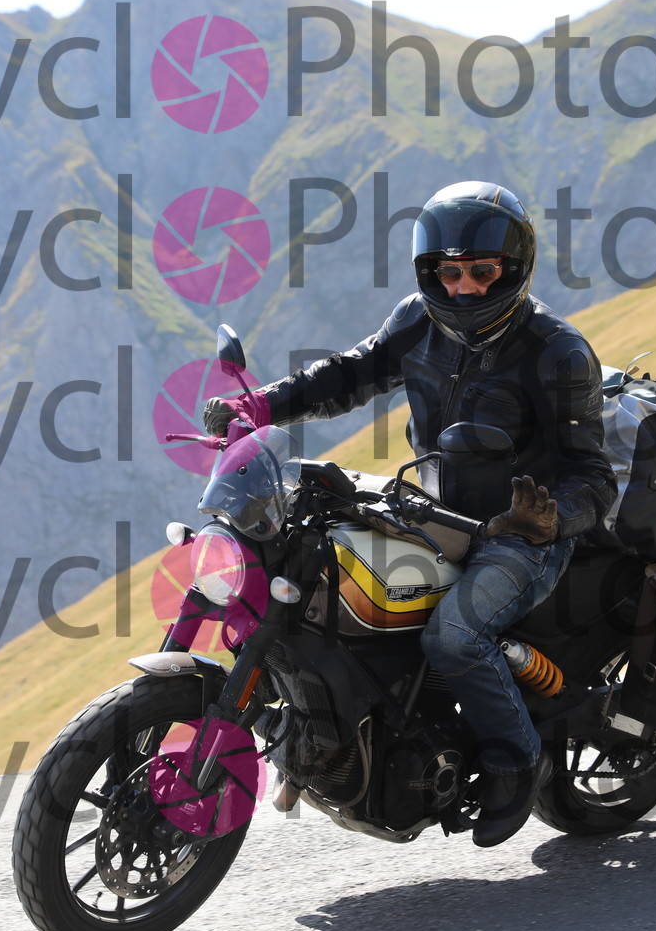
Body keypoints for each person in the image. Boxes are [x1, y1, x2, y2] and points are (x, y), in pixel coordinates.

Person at [203, 181, 616, 847]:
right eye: (448, 273)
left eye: (483, 272)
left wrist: (549, 521)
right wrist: (261, 406)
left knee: (453, 637)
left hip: (521, 534)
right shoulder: (417, 321)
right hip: (433, 507)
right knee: (313, 568)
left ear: (514, 269)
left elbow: (594, 481)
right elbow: (348, 374)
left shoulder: (556, 352)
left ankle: (516, 762)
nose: (464, 289)